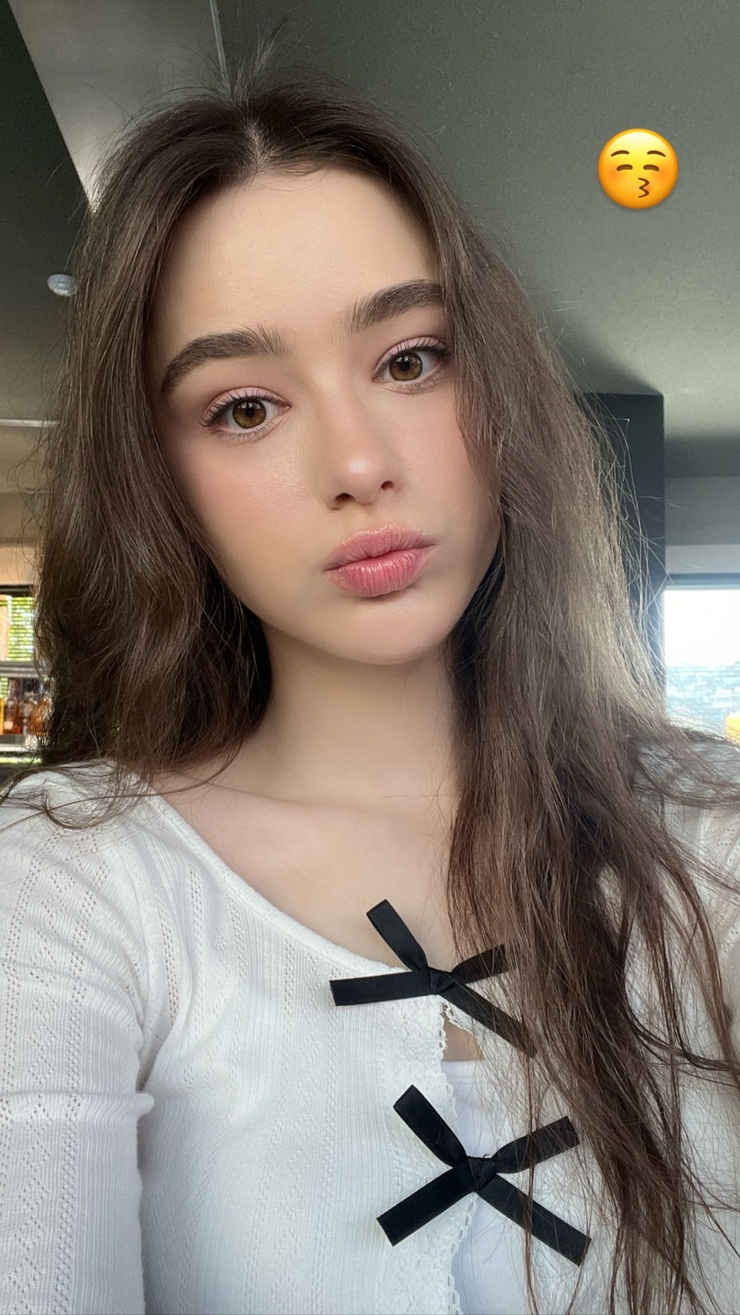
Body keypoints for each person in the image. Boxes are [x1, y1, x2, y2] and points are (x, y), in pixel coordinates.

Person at [1, 34, 740, 1315]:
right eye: (244, 407)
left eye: (409, 359)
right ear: (162, 483)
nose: (356, 462)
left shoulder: (711, 842)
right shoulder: (68, 887)